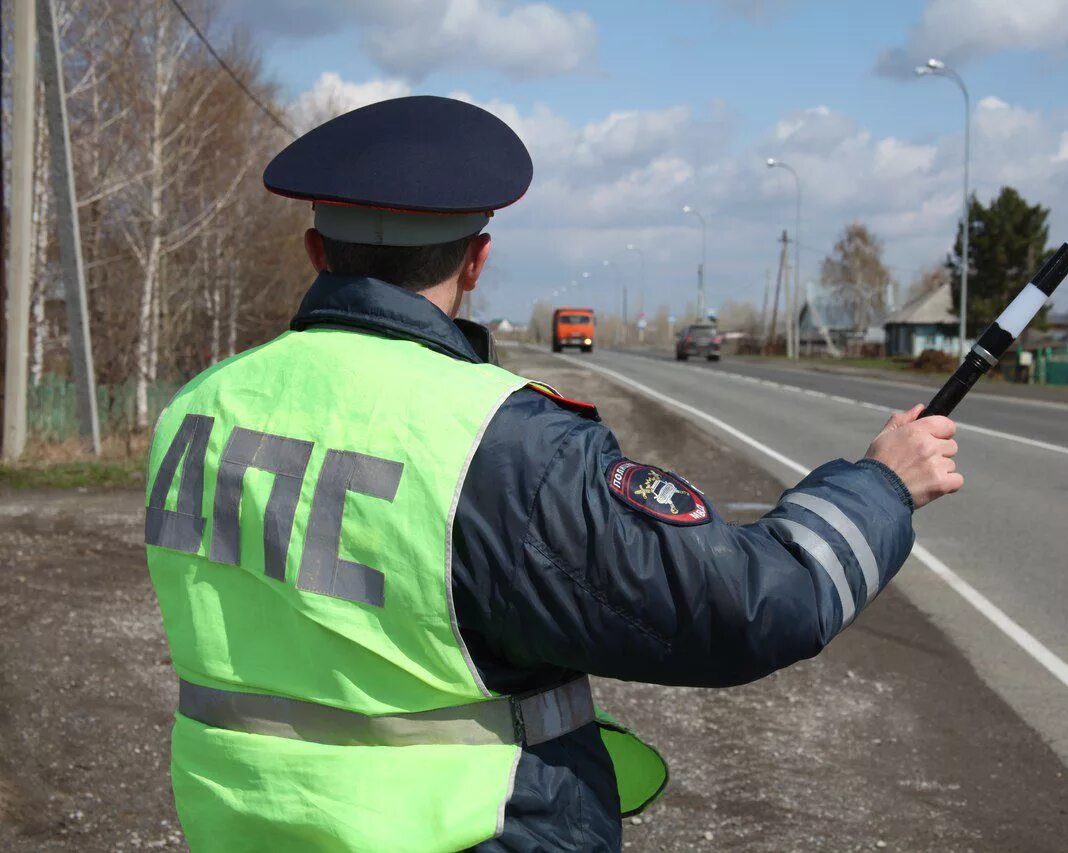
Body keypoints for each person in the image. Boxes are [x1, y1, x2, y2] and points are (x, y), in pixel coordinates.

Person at [143, 95, 962, 853]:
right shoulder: (502, 443)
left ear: (317, 249)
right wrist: (882, 485)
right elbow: (744, 604)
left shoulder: (198, 406)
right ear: (478, 260)